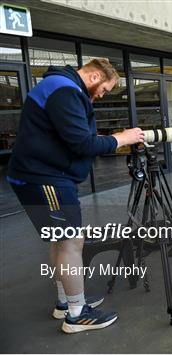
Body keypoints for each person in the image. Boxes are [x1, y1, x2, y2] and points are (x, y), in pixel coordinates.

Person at [7, 59, 145, 333]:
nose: (101, 96)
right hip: (45, 178)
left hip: (38, 175)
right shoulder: (65, 90)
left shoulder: (58, 86)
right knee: (71, 242)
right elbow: (83, 143)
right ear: (94, 76)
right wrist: (123, 138)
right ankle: (77, 314)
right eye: (104, 89)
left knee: (60, 241)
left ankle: (66, 301)